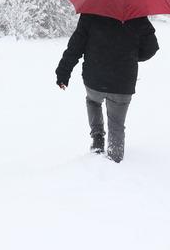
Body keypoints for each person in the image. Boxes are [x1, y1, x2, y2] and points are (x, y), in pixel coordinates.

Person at [55, 13, 159, 163]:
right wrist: (131, 56)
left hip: (94, 78)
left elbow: (75, 47)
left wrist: (63, 73)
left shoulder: (90, 13)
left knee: (93, 102)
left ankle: (97, 137)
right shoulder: (137, 15)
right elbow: (151, 47)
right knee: (116, 123)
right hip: (122, 82)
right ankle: (114, 159)